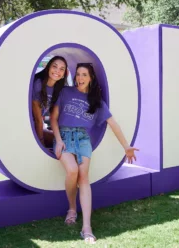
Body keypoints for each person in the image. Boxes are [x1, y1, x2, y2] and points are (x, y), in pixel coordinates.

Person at [50, 63, 139, 244]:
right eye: (78, 75)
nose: (80, 78)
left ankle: (87, 227)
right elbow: (53, 117)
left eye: (84, 75)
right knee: (73, 170)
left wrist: (126, 147)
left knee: (84, 178)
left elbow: (113, 124)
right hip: (64, 136)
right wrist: (58, 140)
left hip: (83, 140)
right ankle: (72, 208)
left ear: (91, 78)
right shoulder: (66, 92)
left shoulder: (97, 102)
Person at [32, 56, 68, 148]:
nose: (57, 71)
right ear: (48, 67)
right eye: (54, 66)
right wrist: (41, 143)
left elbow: (55, 116)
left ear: (64, 74)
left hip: (37, 126)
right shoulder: (38, 84)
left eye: (61, 69)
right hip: (29, 126)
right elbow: (38, 119)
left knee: (64, 142)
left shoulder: (58, 90)